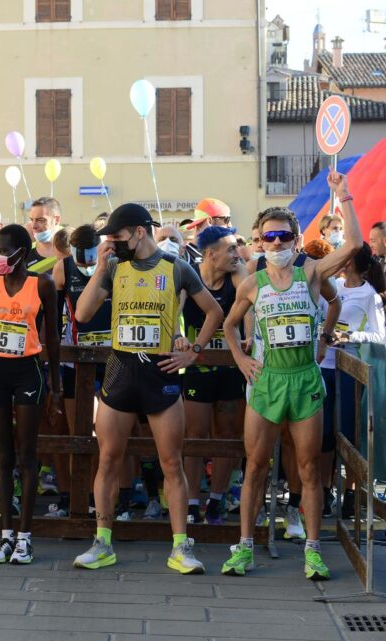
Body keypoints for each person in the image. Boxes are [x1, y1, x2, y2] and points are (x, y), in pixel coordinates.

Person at [221, 172, 361, 580]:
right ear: (259, 242)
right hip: (267, 382)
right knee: (255, 467)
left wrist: (344, 196)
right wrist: (240, 360)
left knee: (309, 469)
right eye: (269, 238)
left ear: (296, 241)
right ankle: (244, 547)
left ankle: (313, 551)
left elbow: (352, 246)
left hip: (304, 380)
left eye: (284, 237)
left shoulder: (313, 274)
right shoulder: (251, 284)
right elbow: (229, 325)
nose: (277, 244)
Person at [73, 203, 223, 574]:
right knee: (108, 458)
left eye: (117, 235)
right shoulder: (113, 266)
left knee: (172, 462)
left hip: (160, 371)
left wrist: (195, 352)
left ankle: (180, 547)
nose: (112, 241)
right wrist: (100, 269)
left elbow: (214, 312)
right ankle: (102, 542)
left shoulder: (176, 267)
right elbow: (81, 314)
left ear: (139, 231)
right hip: (121, 370)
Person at [0, 224, 62, 564]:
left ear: (21, 254)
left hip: (28, 370)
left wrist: (56, 384)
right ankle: (5, 535)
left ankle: (25, 536)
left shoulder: (43, 284)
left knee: (26, 453)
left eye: (2, 249)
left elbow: (51, 337)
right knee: (2, 454)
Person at [181, 226, 249, 525]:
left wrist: (250, 335)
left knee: (228, 434)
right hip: (198, 365)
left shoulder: (237, 276)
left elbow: (251, 305)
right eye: (231, 249)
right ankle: (192, 503)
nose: (238, 254)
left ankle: (217, 501)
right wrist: (177, 336)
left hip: (232, 367)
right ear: (210, 254)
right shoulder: (190, 275)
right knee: (194, 436)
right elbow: (175, 308)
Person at [320, 243, 385, 518]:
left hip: (350, 369)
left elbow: (380, 336)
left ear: (354, 263)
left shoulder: (371, 295)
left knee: (348, 434)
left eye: (345, 258)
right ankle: (323, 492)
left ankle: (350, 492)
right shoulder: (332, 285)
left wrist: (349, 337)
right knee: (323, 435)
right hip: (323, 365)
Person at [51, 224, 111, 519]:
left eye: (90, 260)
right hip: (76, 357)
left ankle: (109, 497)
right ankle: (78, 497)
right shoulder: (62, 268)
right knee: (79, 431)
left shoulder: (114, 264)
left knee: (109, 432)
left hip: (112, 357)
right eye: (81, 262)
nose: (86, 267)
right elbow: (51, 316)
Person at [181, 198, 232, 266]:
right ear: (210, 221)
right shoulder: (184, 256)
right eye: (226, 220)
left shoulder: (218, 254)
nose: (229, 226)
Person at [26, 197, 63, 274]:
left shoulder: (72, 248)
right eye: (32, 220)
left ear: (57, 220)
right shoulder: (26, 251)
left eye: (41, 220)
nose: (34, 226)